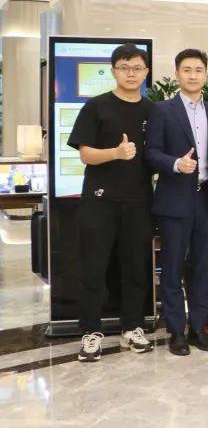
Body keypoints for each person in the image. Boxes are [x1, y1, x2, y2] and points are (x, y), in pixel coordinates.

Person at [69, 43, 155, 362]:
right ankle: (91, 333)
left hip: (139, 201)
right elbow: (85, 154)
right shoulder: (97, 106)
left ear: (146, 72)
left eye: (137, 68)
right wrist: (116, 153)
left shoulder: (153, 111)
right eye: (124, 67)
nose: (131, 73)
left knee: (135, 269)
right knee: (94, 268)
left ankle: (132, 328)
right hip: (99, 202)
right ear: (113, 71)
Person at [145, 49, 208, 356]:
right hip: (174, 201)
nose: (193, 75)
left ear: (206, 74)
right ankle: (175, 331)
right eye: (186, 69)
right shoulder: (162, 111)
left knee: (203, 267)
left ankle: (198, 328)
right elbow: (151, 153)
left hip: (207, 200)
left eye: (198, 70)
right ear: (177, 74)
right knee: (172, 267)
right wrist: (175, 164)